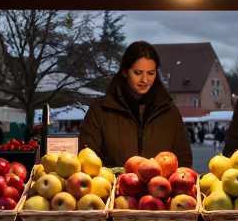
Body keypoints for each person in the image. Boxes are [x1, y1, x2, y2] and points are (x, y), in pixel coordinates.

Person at [79, 40, 192, 168]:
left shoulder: (170, 113)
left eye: (151, 73)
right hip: (112, 186)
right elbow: (87, 159)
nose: (145, 80)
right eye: (138, 73)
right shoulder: (99, 111)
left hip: (162, 187)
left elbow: (184, 161)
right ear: (125, 71)